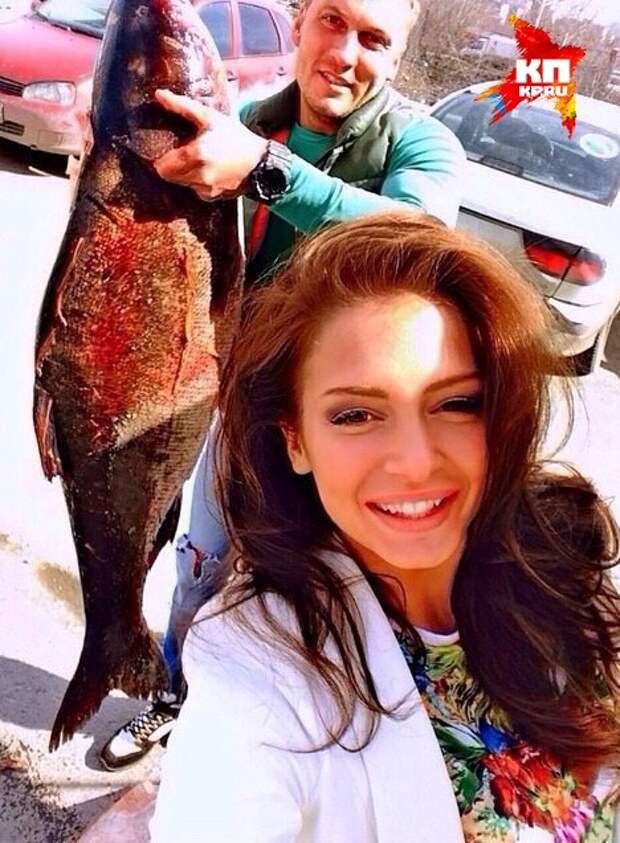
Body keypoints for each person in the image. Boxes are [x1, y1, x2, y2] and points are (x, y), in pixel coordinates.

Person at [145, 210, 620, 841]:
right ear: (295, 440)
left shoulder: (553, 554)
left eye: (456, 403)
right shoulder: (255, 667)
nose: (416, 461)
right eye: (356, 416)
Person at [100, 0, 467, 768]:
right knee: (199, 571)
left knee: (315, 600)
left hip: (350, 432)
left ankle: (287, 760)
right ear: (297, 23)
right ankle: (173, 692)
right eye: (332, 20)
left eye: (374, 39)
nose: (346, 53)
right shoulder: (243, 119)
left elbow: (413, 236)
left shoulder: (422, 143)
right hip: (235, 409)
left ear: (397, 58)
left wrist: (263, 172)